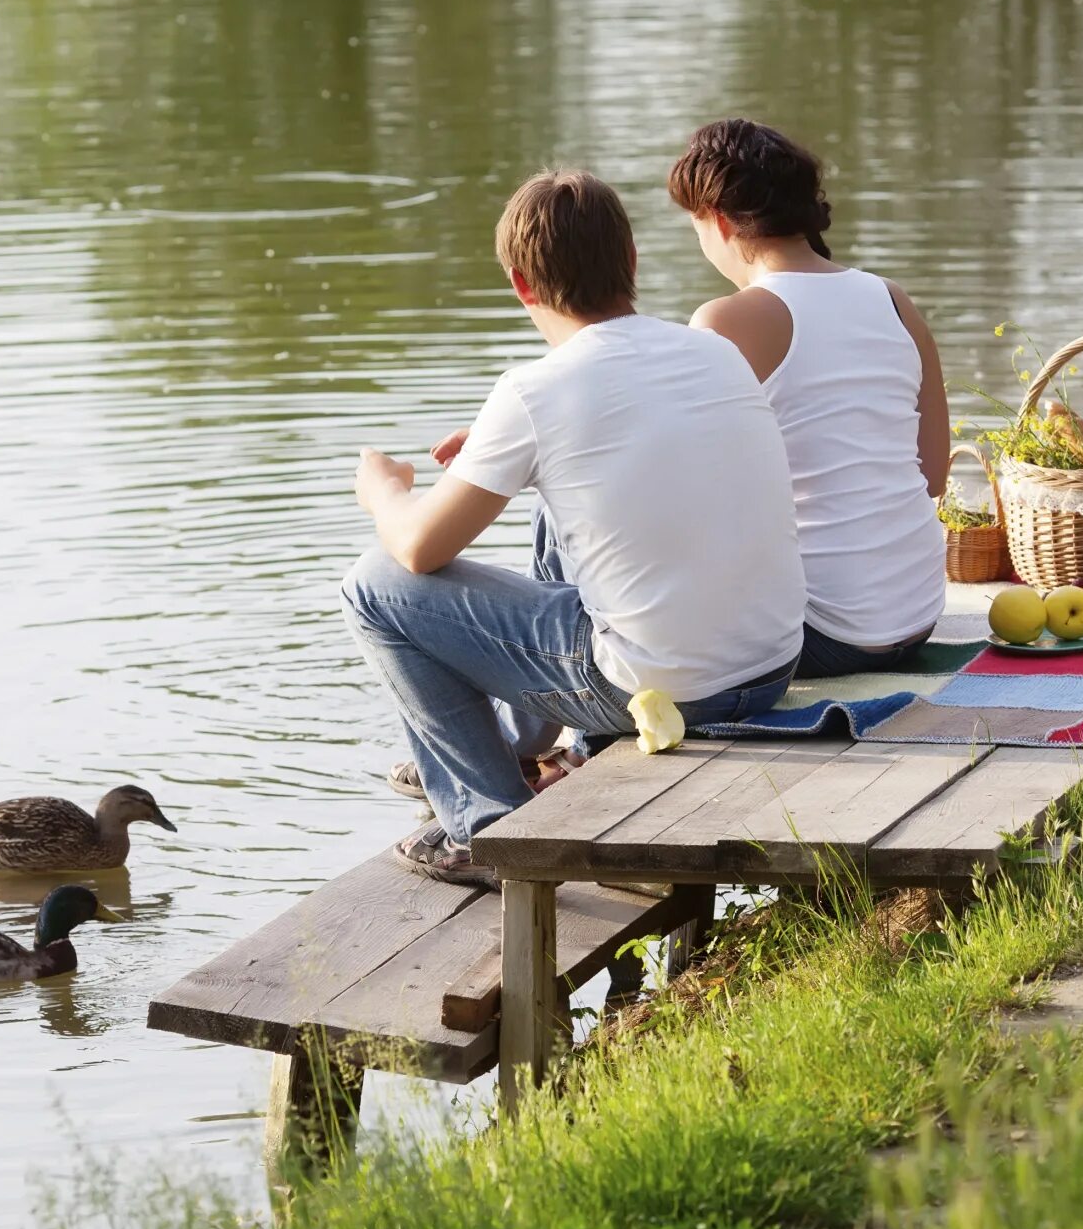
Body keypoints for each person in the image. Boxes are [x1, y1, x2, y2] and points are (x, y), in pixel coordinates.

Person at [341, 169, 806, 888]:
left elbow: (415, 547)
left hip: (665, 691)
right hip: (769, 669)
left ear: (522, 285)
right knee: (553, 498)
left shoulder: (534, 390)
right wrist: (513, 454)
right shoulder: (714, 350)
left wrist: (385, 490)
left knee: (371, 586)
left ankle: (489, 830)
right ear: (632, 262)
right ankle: (526, 747)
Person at [668, 119, 949, 679]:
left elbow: (677, 491)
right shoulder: (892, 300)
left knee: (569, 511)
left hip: (819, 633)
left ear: (718, 221)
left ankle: (579, 743)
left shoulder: (726, 320)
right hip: (916, 617)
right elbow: (934, 476)